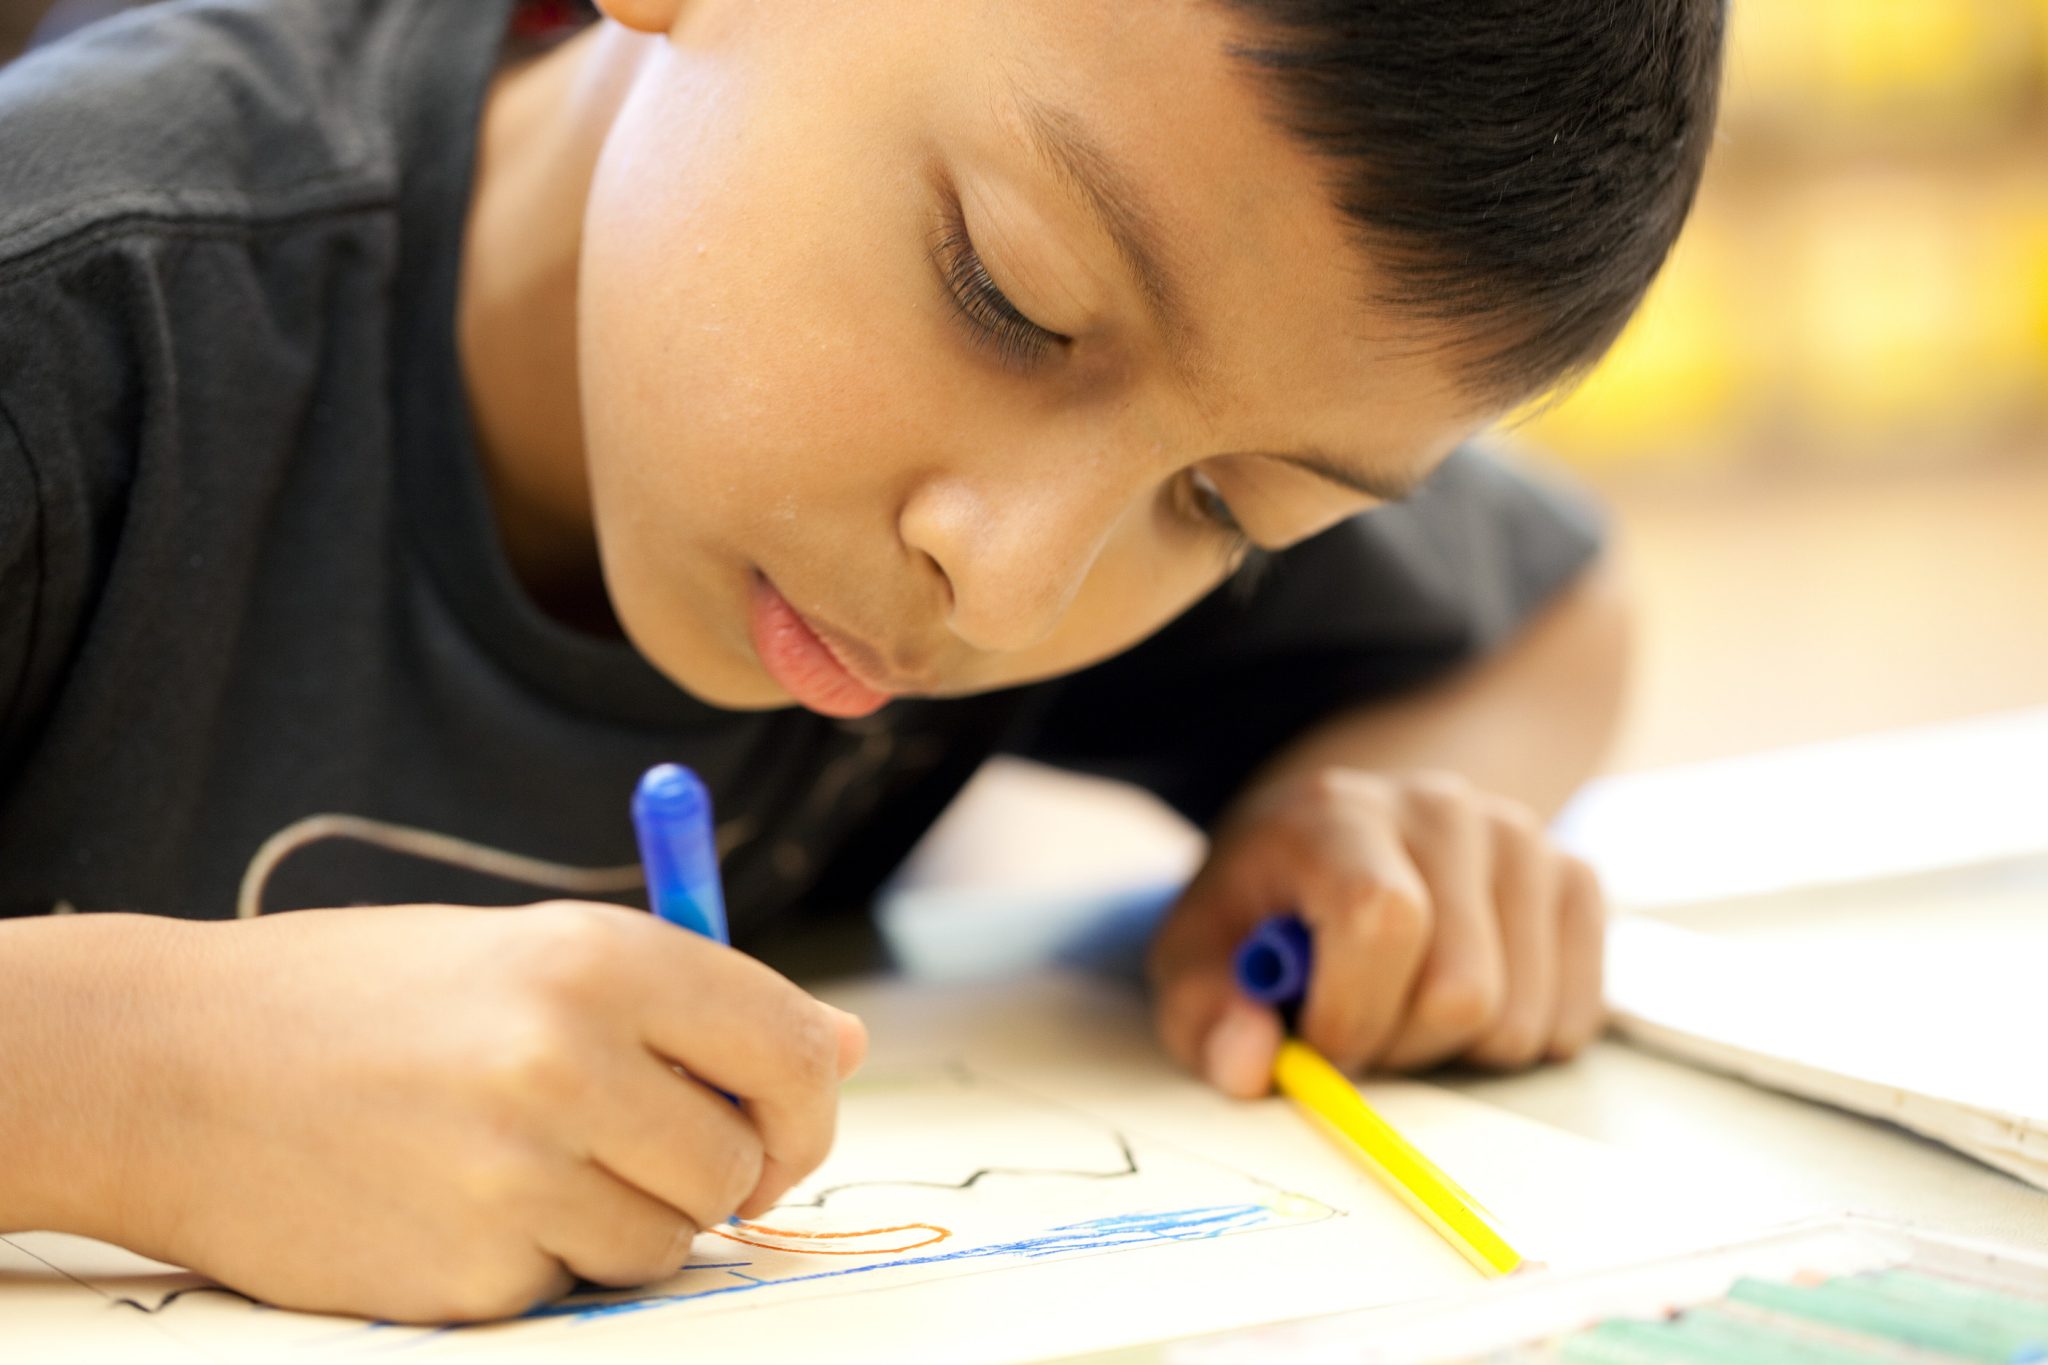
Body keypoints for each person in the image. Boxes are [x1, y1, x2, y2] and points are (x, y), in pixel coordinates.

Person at [0, 0, 1721, 1324]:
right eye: (1008, 298)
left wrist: (1380, 818)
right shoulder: (71, 313)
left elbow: (1572, 617)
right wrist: (131, 1084)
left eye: (1227, 506)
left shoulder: (1195, 355)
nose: (1014, 586)